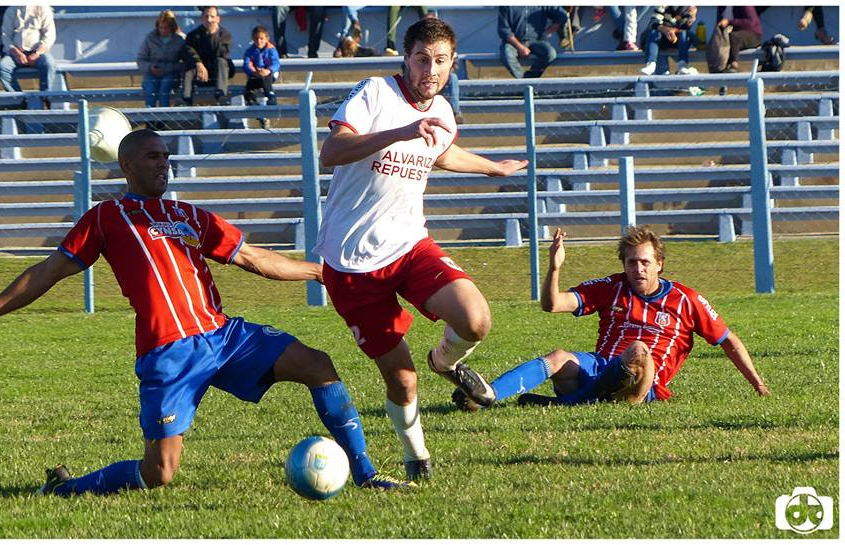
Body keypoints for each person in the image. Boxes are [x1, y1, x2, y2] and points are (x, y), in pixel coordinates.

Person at [0, 129, 413, 496]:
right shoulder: (105, 218)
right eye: (152, 156)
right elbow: (47, 272)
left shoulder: (191, 215)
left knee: (319, 365)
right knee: (159, 473)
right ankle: (67, 487)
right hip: (168, 353)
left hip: (222, 336)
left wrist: (320, 272)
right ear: (127, 165)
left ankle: (366, 474)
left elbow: (254, 258)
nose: (163, 163)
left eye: (167, 156)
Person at [315, 17, 529, 481]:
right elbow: (332, 152)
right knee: (402, 379)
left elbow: (442, 151)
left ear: (452, 63)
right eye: (421, 59)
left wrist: (491, 168)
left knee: (475, 319)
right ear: (405, 58)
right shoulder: (375, 92)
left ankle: (445, 361)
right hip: (351, 264)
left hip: (410, 244)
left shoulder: (444, 110)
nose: (430, 69)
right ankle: (417, 458)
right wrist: (401, 132)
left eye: (440, 60)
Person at [452, 226, 771, 411]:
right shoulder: (611, 287)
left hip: (644, 383)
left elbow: (728, 341)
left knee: (638, 351)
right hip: (599, 368)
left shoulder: (686, 300)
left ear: (659, 264)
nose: (638, 268)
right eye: (632, 262)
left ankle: (566, 405)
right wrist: (555, 267)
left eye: (645, 262)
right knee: (559, 358)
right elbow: (553, 305)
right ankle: (485, 395)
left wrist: (758, 384)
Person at [0, 5, 56, 99]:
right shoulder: (11, 10)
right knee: (3, 67)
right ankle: (18, 99)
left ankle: (45, 97)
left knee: (49, 63)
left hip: (38, 53)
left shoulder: (43, 8)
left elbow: (49, 35)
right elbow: (5, 36)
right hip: (16, 53)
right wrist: (17, 53)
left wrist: (37, 53)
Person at [181, 6, 233, 106]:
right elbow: (188, 50)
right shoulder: (193, 35)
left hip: (217, 73)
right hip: (200, 74)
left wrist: (212, 34)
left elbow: (220, 53)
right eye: (206, 16)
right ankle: (186, 99)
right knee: (188, 68)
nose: (209, 20)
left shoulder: (225, 35)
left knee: (221, 61)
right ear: (202, 18)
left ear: (218, 19)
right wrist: (198, 63)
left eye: (212, 17)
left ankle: (221, 95)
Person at [498, 6, 567, 79]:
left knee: (551, 53)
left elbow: (562, 16)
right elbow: (504, 30)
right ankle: (523, 81)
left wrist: (548, 32)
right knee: (506, 53)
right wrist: (520, 47)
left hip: (537, 41)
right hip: (514, 43)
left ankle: (529, 79)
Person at [137, 10, 186, 108]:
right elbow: (141, 59)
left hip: (171, 74)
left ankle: (163, 118)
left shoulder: (180, 40)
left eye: (166, 28)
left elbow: (185, 62)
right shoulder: (150, 38)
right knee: (150, 90)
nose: (163, 30)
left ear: (172, 27)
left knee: (164, 89)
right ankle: (150, 118)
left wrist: (167, 68)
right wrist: (150, 67)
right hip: (152, 73)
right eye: (161, 28)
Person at [640, 6, 698, 76]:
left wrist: (691, 17)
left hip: (677, 40)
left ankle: (682, 65)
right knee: (653, 32)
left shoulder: (687, 8)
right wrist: (666, 30)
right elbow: (653, 23)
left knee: (685, 34)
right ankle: (651, 64)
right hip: (660, 40)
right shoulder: (662, 6)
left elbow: (685, 27)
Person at [243, 25, 281, 129]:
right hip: (256, 75)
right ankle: (251, 100)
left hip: (270, 74)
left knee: (266, 78)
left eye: (261, 38)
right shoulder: (250, 51)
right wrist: (254, 72)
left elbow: (276, 63)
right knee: (249, 84)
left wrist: (268, 70)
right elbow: (247, 64)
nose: (259, 41)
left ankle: (271, 95)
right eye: (256, 38)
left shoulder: (271, 50)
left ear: (267, 38)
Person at [715, 6, 762, 73]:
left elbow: (751, 22)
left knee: (734, 37)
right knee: (718, 41)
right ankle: (718, 67)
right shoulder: (721, 7)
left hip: (753, 35)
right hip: (731, 37)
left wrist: (730, 22)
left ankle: (734, 64)